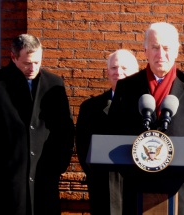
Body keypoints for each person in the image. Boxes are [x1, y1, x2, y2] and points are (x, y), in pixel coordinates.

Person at [107, 22, 184, 215]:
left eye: (166, 48)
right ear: (145, 51)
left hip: (178, 193)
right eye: (155, 48)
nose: (161, 54)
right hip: (136, 192)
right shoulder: (126, 88)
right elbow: (113, 134)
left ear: (176, 51)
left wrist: (170, 147)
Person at [0, 34, 74, 215]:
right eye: (27, 63)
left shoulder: (54, 84)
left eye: (37, 62)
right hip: (8, 185)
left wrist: (58, 165)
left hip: (45, 180)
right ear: (13, 57)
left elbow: (65, 130)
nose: (33, 68)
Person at [76, 49, 139, 215]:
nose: (119, 72)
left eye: (125, 68)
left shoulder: (147, 107)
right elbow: (83, 148)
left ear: (136, 73)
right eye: (114, 68)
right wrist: (97, 177)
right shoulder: (90, 108)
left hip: (139, 188)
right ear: (107, 72)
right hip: (103, 189)